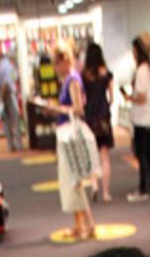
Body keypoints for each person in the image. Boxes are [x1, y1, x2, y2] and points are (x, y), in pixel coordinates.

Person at [40, 45, 94, 242]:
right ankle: (80, 224)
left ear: (64, 61)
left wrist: (57, 109)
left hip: (70, 134)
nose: (55, 68)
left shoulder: (72, 81)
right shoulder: (69, 81)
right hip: (66, 133)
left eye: (56, 63)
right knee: (72, 179)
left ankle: (88, 224)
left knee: (74, 179)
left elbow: (78, 109)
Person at [125, 33, 150, 203]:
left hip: (143, 118)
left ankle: (143, 189)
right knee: (149, 153)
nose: (132, 53)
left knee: (142, 154)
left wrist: (129, 98)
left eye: (133, 50)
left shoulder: (141, 71)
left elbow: (142, 97)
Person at [81, 41, 115, 204]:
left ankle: (94, 185)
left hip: (90, 117)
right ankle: (106, 192)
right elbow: (112, 97)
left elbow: (82, 98)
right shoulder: (106, 73)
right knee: (104, 156)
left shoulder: (84, 75)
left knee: (91, 155)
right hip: (103, 116)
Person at [0, 50, 23, 152]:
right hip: (8, 94)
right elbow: (7, 84)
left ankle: (10, 144)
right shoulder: (8, 67)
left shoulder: (2, 64)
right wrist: (3, 97)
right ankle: (18, 143)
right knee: (15, 119)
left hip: (4, 94)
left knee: (6, 120)